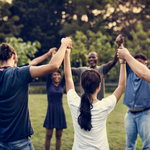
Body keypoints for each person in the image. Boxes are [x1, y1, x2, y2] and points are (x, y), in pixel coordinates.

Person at [0, 37, 72, 150]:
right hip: (20, 143)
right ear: (15, 56)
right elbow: (53, 66)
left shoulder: (19, 72)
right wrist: (64, 44)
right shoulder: (19, 73)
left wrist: (48, 54)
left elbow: (33, 62)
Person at [64, 48, 126, 150]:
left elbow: (68, 78)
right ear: (99, 86)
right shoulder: (104, 106)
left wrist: (67, 52)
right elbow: (121, 86)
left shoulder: (74, 102)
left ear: (81, 84)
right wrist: (123, 62)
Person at [71, 34, 124, 100]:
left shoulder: (102, 69)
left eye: (93, 57)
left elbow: (114, 61)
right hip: (85, 103)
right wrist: (60, 56)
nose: (91, 59)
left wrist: (118, 45)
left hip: (99, 102)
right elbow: (68, 70)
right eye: (89, 57)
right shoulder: (83, 70)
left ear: (98, 59)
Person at [117, 51, 150, 149]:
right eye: (135, 62)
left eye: (140, 62)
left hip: (145, 113)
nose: (136, 65)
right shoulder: (130, 72)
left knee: (147, 146)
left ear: (145, 64)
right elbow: (122, 55)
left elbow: (143, 72)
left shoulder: (148, 72)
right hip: (130, 113)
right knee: (129, 145)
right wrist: (120, 44)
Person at [44, 68, 67, 150]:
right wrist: (53, 56)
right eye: (54, 74)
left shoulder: (61, 85)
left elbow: (67, 71)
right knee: (48, 135)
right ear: (51, 76)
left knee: (59, 136)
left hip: (60, 111)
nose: (56, 76)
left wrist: (64, 59)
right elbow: (50, 69)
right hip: (51, 111)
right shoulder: (49, 84)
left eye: (58, 74)